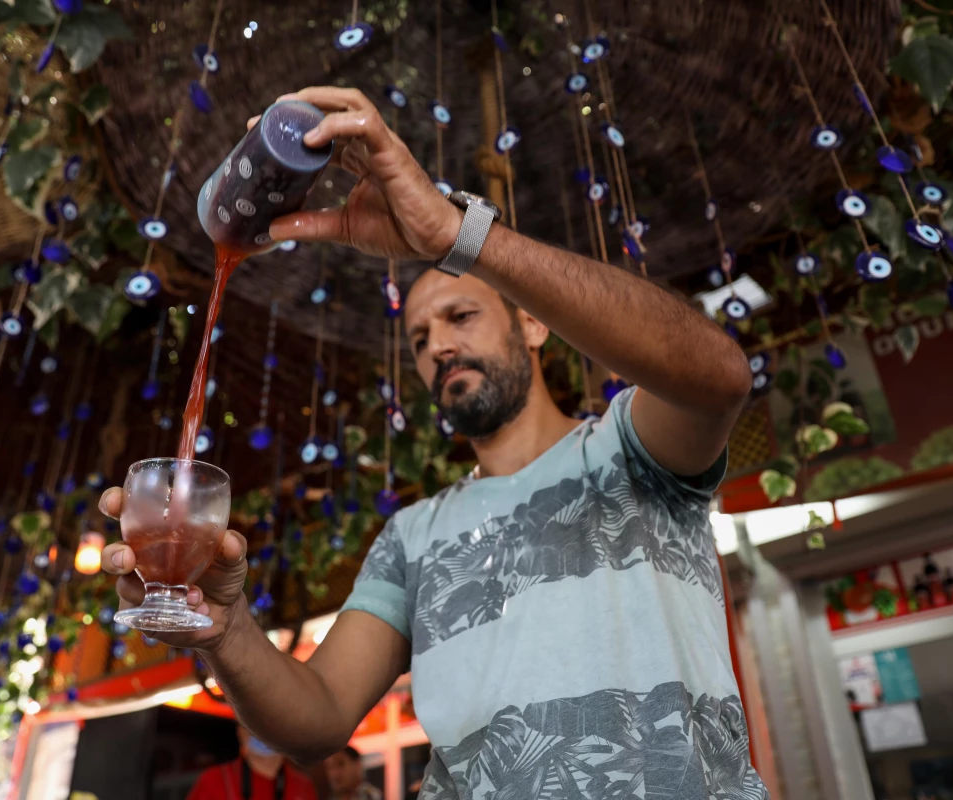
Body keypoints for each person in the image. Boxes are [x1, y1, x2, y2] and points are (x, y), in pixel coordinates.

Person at [101, 86, 765, 799]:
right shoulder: (411, 537)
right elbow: (319, 718)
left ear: (533, 325)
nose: (439, 346)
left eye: (461, 314)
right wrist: (225, 629)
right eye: (420, 338)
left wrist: (457, 235)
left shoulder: (631, 450)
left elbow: (721, 377)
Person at [185, 723, 316, 800]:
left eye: (270, 725)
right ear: (240, 732)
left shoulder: (303, 787)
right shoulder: (213, 781)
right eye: (254, 725)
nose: (262, 733)